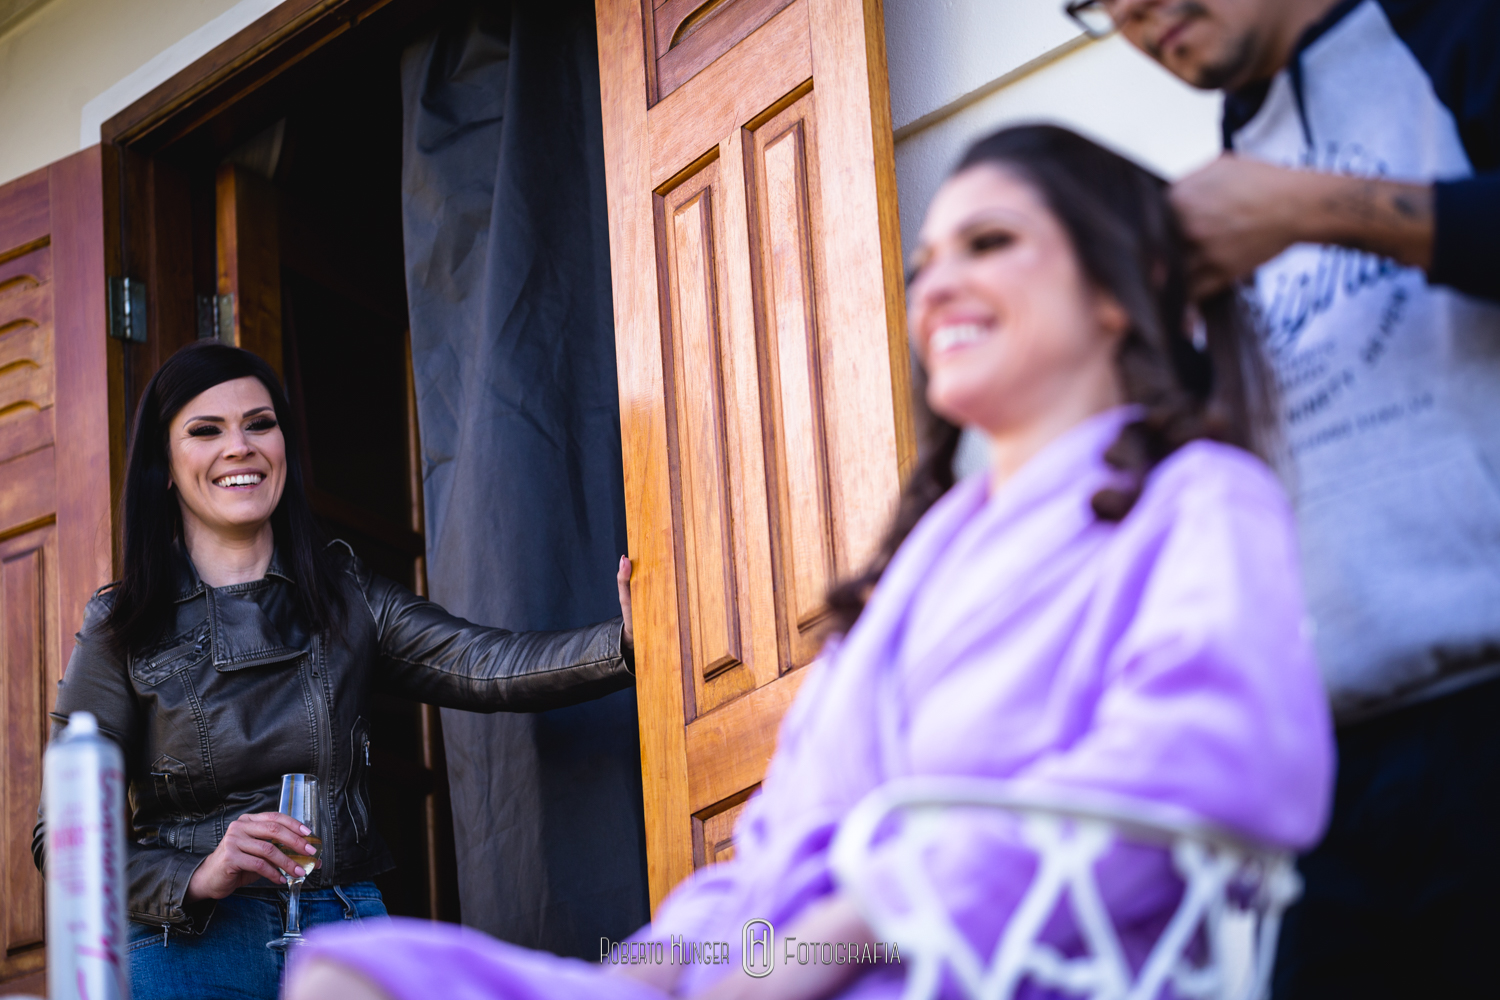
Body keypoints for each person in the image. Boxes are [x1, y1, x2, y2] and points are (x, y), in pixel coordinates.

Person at [280, 124, 1334, 1000]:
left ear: (1121, 288)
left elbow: (1224, 762)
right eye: (925, 263)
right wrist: (665, 967)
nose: (941, 285)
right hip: (787, 972)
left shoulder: (1196, 498)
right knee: (351, 975)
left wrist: (869, 915)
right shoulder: (924, 562)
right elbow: (783, 847)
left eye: (990, 241)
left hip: (983, 969)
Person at [1070, 0, 1500, 994]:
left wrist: (1311, 208)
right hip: (1327, 777)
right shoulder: (1236, 145)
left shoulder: (1453, 29)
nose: (1128, 12)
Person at [30, 341, 638, 1000]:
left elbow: (483, 665)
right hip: (187, 949)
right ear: (165, 467)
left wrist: (631, 640)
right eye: (207, 430)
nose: (240, 446)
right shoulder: (122, 621)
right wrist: (200, 873)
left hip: (342, 928)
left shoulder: (345, 592)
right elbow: (62, 837)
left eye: (259, 424)